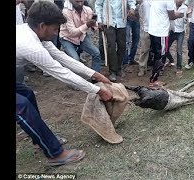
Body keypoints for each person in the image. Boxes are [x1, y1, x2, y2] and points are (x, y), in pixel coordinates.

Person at [16, 1, 113, 166]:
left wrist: (95, 74)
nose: (56, 34)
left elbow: (62, 58)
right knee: (22, 106)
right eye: (54, 29)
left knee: (27, 94)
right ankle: (55, 154)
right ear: (42, 26)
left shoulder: (34, 33)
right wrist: (96, 90)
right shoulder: (30, 45)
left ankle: (40, 138)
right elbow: (62, 73)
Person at [95, 0, 136, 82]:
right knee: (111, 47)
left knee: (122, 46)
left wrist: (132, 8)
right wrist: (99, 21)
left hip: (122, 22)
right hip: (108, 22)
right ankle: (112, 71)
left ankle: (118, 68)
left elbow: (131, 1)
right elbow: (98, 5)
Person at [59, 0, 103, 74]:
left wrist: (97, 26)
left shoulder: (87, 10)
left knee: (96, 53)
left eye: (81, 1)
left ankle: (95, 77)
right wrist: (87, 25)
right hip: (67, 38)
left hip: (81, 37)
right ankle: (74, 80)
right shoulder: (66, 12)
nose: (80, 4)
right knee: (75, 60)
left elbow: (93, 24)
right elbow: (73, 32)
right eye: (77, 1)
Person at [147, 0, 184, 87]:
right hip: (161, 32)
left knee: (156, 54)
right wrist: (180, 14)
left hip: (152, 29)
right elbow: (172, 16)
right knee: (161, 56)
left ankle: (154, 77)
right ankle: (154, 80)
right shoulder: (169, 1)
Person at [163, 0, 188, 74]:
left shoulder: (185, 8)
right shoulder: (171, 6)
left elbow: (186, 18)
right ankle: (171, 60)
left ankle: (179, 67)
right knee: (165, 48)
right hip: (172, 31)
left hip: (180, 32)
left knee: (179, 51)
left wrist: (186, 19)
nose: (179, 1)